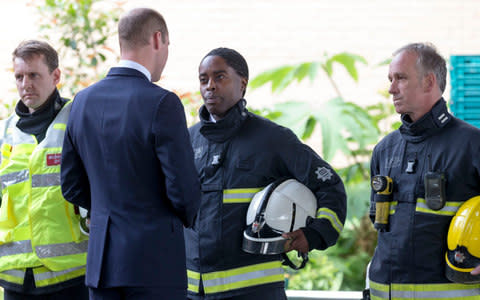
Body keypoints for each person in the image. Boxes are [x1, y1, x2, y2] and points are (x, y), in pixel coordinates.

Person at [60, 8, 201, 300]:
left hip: (101, 264)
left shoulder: (81, 102)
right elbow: (184, 191)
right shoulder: (162, 103)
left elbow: (71, 185)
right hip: (154, 263)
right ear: (158, 39)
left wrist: (105, 209)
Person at [184, 47, 347, 300]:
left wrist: (315, 233)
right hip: (195, 294)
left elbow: (329, 185)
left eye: (220, 77)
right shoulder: (187, 141)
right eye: (203, 79)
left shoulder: (272, 139)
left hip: (254, 293)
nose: (210, 86)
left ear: (243, 83)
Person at [368, 43, 480, 299]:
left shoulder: (472, 145)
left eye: (401, 78)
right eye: (390, 79)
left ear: (429, 81)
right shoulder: (384, 150)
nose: (391, 88)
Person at [0, 40, 88, 299]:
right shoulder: (5, 132)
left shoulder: (77, 121)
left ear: (56, 75)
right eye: (19, 76)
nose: (25, 84)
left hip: (69, 276)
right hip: (16, 276)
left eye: (34, 75)